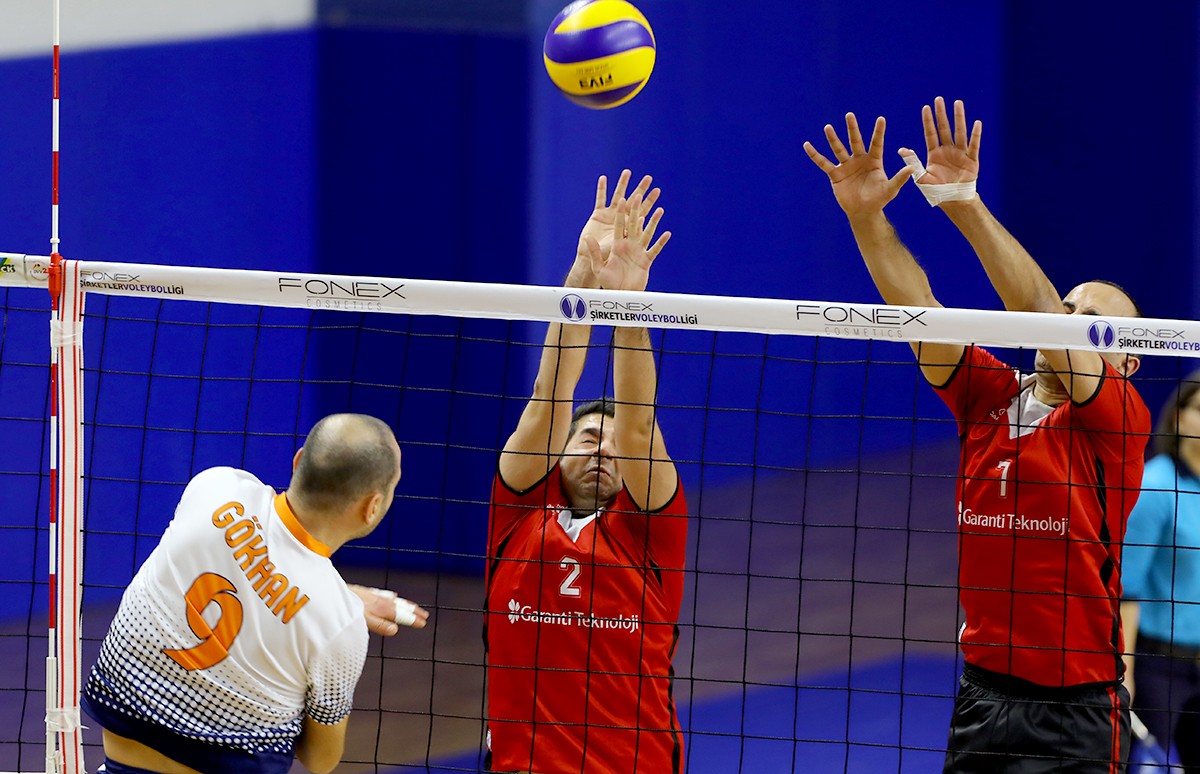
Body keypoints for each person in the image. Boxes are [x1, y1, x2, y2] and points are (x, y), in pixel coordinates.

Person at [805, 97, 1150, 771]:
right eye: (1069, 308)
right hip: (984, 699)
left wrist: (963, 203)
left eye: (1092, 323)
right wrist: (866, 216)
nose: (1069, 322)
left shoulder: (1116, 420)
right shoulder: (988, 396)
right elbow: (918, 309)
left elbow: (1037, 310)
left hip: (1077, 712)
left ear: (1127, 363)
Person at [82, 413, 429, 774]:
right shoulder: (339, 625)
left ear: (299, 461)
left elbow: (251, 562)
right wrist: (337, 605)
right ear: (372, 507)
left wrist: (339, 598)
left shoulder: (215, 487)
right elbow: (319, 759)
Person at [484, 170, 687, 774]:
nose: (603, 451)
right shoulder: (517, 517)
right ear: (558, 453)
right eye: (588, 438)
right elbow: (551, 393)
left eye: (613, 446)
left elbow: (638, 426)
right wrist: (582, 280)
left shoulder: (650, 533)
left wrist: (626, 305)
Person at [1121, 371, 1200, 769]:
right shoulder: (1155, 486)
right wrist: (1125, 673)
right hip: (1158, 669)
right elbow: (1126, 588)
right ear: (1178, 417)